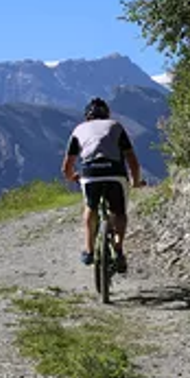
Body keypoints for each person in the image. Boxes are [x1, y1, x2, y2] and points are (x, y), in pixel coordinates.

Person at [61, 97, 142, 273]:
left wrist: (72, 176)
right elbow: (132, 160)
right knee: (119, 212)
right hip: (115, 173)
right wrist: (135, 181)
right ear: (107, 114)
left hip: (90, 173)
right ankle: (119, 249)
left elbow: (67, 165)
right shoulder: (116, 126)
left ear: (87, 116)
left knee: (90, 207)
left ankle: (89, 250)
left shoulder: (79, 130)